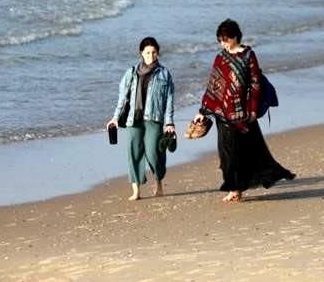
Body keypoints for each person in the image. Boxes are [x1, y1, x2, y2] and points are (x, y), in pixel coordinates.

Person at [193, 19, 295, 202]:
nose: (223, 43)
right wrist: (203, 110)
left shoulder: (248, 55)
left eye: (225, 39)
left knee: (242, 152)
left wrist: (253, 110)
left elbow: (255, 84)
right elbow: (213, 85)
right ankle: (234, 188)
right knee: (226, 152)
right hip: (222, 113)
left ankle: (236, 188)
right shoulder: (220, 58)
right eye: (220, 40)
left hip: (243, 113)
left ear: (235, 37)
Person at [107, 36, 176, 201]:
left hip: (154, 118)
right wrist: (115, 118)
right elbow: (122, 99)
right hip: (133, 119)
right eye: (147, 53)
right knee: (134, 153)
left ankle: (158, 183)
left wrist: (169, 123)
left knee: (154, 152)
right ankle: (136, 190)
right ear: (141, 53)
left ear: (157, 53)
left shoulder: (164, 74)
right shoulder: (131, 73)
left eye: (153, 52)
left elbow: (169, 100)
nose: (150, 56)